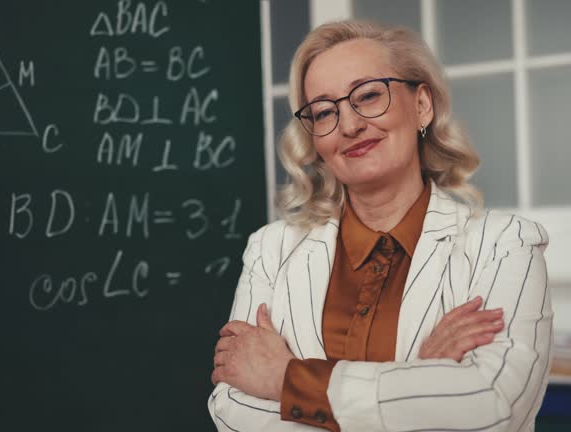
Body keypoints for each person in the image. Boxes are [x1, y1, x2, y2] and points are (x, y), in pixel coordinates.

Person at [208, 20, 551, 432]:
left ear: (422, 104)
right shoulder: (270, 249)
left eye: (368, 95)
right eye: (324, 112)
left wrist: (287, 380)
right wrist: (421, 377)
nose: (349, 126)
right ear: (313, 136)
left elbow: (493, 405)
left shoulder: (504, 244)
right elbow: (233, 409)